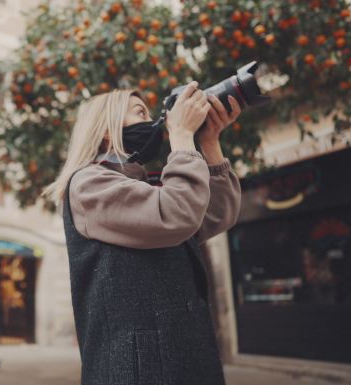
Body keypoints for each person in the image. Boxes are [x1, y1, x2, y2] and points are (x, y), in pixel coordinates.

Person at [42, 82, 242, 385]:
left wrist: (210, 142)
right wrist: (182, 136)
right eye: (139, 112)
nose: (154, 122)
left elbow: (214, 214)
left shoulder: (148, 185)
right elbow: (178, 214)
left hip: (186, 358)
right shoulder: (89, 184)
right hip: (138, 369)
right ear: (107, 129)